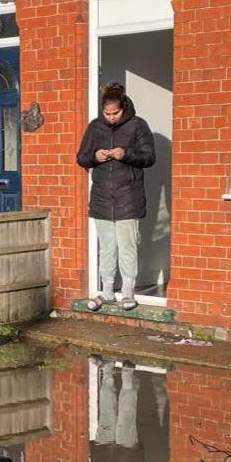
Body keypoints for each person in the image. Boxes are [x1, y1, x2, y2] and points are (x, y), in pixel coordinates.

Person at [76, 82, 156, 312]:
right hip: (101, 197)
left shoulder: (137, 125)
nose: (111, 117)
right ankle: (108, 292)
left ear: (123, 108)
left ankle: (128, 292)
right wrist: (95, 156)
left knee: (127, 247)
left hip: (129, 197)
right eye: (107, 114)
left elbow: (150, 157)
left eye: (115, 113)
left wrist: (126, 154)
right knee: (107, 248)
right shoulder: (95, 127)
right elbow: (81, 158)